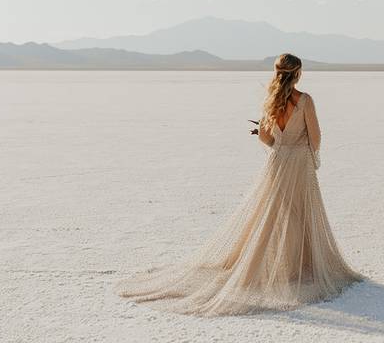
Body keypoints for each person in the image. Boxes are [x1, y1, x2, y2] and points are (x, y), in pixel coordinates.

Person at [117, 53, 361, 315]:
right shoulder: (305, 101)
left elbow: (266, 139)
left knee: (272, 215)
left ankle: (272, 265)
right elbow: (315, 137)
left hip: (277, 163)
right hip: (299, 164)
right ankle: (299, 268)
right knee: (299, 214)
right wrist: (312, 160)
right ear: (298, 73)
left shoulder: (270, 102)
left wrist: (277, 143)